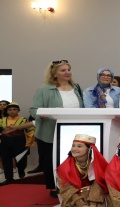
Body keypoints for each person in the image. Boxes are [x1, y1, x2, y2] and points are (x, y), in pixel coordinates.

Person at [31, 60, 84, 197]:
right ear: (54, 74)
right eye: (63, 70)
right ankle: (55, 187)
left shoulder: (76, 87)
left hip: (73, 130)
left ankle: (73, 185)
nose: (67, 72)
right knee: (51, 160)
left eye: (68, 69)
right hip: (51, 131)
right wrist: (43, 114)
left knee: (73, 158)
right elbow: (33, 110)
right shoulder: (45, 89)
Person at [0, 102, 35, 183]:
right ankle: (9, 179)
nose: (12, 111)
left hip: (19, 142)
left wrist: (29, 143)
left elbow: (30, 130)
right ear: (7, 111)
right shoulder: (2, 120)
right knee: (6, 161)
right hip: (5, 143)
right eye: (10, 110)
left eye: (14, 109)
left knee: (21, 161)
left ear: (18, 110)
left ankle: (21, 173)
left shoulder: (23, 120)